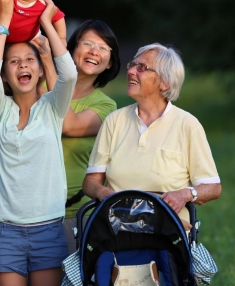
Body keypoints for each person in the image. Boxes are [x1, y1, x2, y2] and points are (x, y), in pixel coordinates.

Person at [0, 20, 121, 254]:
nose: (94, 51)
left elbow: (68, 124)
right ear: (70, 49)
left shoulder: (106, 105)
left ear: (110, 62)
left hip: (76, 213)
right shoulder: (35, 80)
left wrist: (48, 60)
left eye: (103, 48)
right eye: (88, 43)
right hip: (27, 212)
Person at [0, 0, 77, 286]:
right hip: (3, 229)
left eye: (29, 60)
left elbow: (69, 75)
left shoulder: (53, 107)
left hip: (47, 227)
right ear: (6, 75)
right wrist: (5, 17)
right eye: (13, 61)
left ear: (38, 69)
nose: (22, 64)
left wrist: (47, 24)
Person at [83, 43, 222, 223]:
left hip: (168, 235)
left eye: (141, 68)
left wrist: (185, 194)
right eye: (132, 65)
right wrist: (103, 193)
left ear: (165, 82)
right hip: (116, 233)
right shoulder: (114, 120)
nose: (131, 71)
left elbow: (213, 187)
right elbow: (90, 181)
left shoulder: (187, 124)